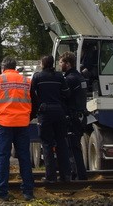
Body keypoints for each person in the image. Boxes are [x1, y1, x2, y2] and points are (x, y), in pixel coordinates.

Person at [0, 57, 35, 201]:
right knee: (24, 158)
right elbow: (35, 103)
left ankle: (2, 193)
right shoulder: (26, 81)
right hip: (22, 125)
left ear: (3, 68)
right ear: (15, 67)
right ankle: (28, 192)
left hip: (4, 124)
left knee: (3, 158)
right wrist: (27, 118)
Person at [30, 54, 71, 183]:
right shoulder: (59, 77)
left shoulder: (37, 77)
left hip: (45, 112)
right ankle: (66, 176)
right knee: (61, 143)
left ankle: (50, 177)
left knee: (47, 144)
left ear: (43, 64)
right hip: (59, 111)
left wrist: (37, 107)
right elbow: (67, 93)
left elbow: (31, 94)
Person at [59, 51, 88, 180]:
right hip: (81, 115)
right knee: (76, 147)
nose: (59, 65)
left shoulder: (69, 79)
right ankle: (80, 174)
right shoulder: (80, 77)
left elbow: (65, 96)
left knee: (72, 147)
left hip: (72, 116)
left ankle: (77, 176)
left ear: (68, 64)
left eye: (61, 63)